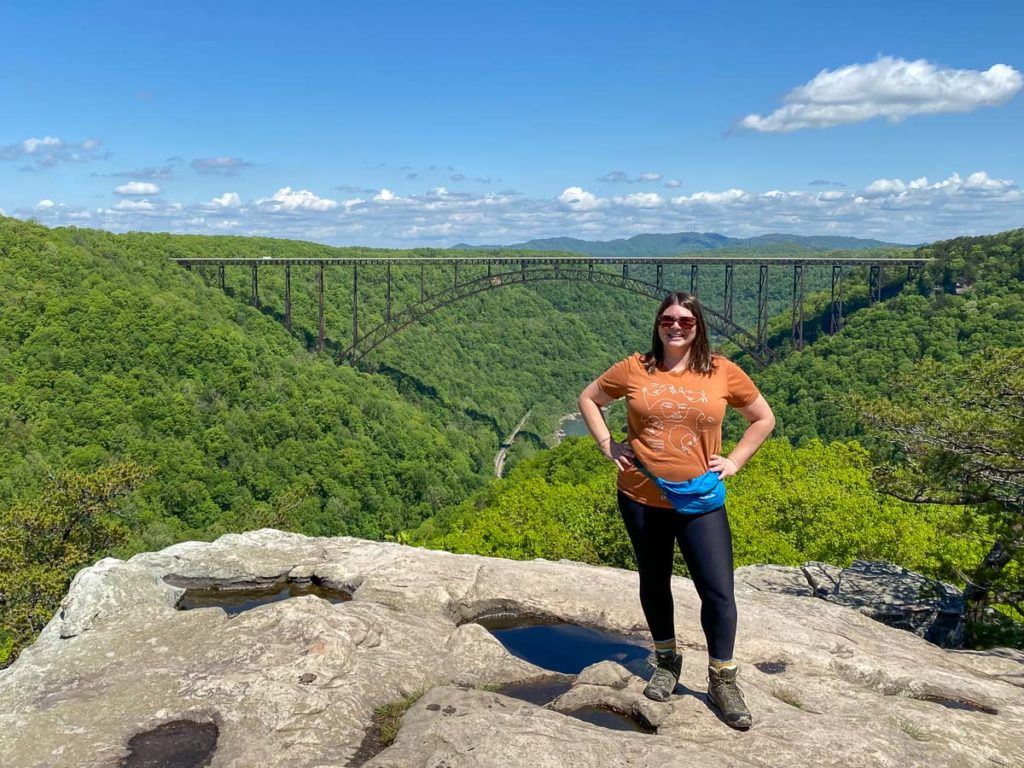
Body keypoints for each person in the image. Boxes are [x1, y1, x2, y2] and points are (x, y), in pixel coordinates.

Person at [577, 291, 775, 730]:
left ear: (698, 325)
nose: (676, 326)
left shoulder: (722, 370)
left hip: (700, 499)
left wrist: (735, 461)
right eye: (668, 318)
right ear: (658, 323)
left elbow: (763, 418)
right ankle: (667, 660)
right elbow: (589, 398)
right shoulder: (635, 368)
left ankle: (722, 677)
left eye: (686, 320)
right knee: (654, 580)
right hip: (641, 496)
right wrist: (608, 444)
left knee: (719, 591)